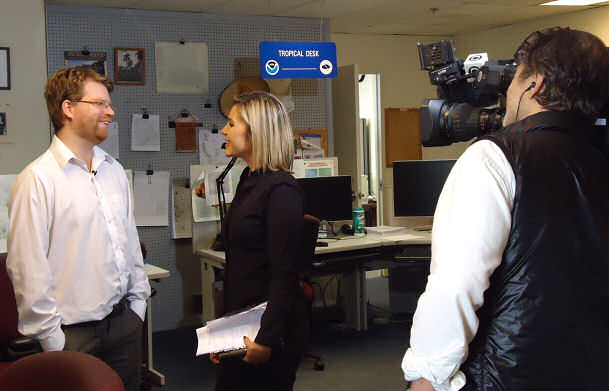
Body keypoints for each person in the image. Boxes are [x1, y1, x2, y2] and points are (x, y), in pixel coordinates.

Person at [401, 27, 609, 391]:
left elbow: (455, 286)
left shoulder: (496, 157)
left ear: (536, 85)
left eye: (515, 80)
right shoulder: (599, 159)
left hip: (506, 373)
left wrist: (427, 376)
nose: (508, 92)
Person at [6, 66, 150, 391]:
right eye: (99, 103)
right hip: (71, 336)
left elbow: (128, 243)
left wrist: (138, 305)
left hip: (123, 325)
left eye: (108, 103)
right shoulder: (37, 180)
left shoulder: (113, 171)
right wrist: (52, 339)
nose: (110, 111)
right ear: (68, 108)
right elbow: (27, 268)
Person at [210, 91, 308, 391]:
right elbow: (243, 268)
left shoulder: (281, 190)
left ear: (256, 132)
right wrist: (224, 334)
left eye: (231, 124)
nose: (224, 131)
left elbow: (284, 274)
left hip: (270, 330)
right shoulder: (249, 180)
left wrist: (265, 340)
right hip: (242, 322)